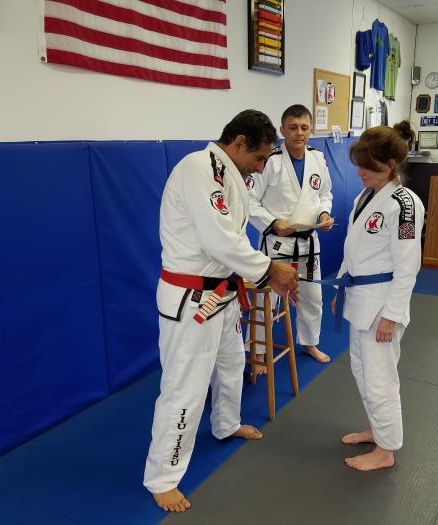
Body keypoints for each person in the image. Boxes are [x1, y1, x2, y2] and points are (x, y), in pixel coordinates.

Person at [143, 110, 299, 513]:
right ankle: (162, 477)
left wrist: (258, 272)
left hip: (223, 291)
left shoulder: (229, 173)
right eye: (259, 158)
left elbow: (232, 238)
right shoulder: (199, 169)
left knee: (232, 364)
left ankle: (225, 424)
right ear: (239, 143)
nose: (260, 168)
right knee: (185, 387)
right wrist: (269, 269)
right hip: (192, 299)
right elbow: (218, 238)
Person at [332, 122, 424, 471]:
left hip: (381, 304)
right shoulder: (366, 195)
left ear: (389, 165)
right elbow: (354, 248)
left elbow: (408, 266)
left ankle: (386, 449)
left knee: (380, 378)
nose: (360, 172)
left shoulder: (404, 204)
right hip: (360, 297)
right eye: (359, 165)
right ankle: (376, 429)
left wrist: (392, 315)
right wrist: (341, 287)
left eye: (367, 167)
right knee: (362, 371)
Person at [247, 104, 334, 365]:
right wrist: (273, 222)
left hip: (308, 243)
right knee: (267, 298)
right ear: (282, 130)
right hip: (277, 243)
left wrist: (324, 214)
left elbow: (324, 194)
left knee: (313, 297)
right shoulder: (270, 161)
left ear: (311, 130)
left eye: (304, 127)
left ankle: (309, 342)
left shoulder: (318, 158)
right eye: (293, 127)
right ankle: (259, 350)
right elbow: (249, 201)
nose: (299, 133)